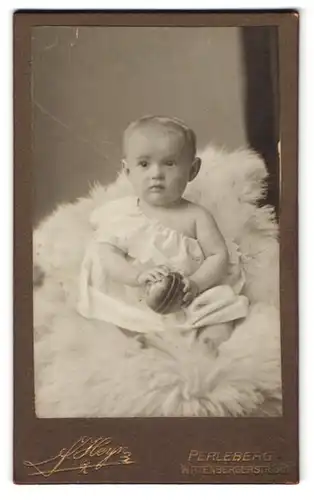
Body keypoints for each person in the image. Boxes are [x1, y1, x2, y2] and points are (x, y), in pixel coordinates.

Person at [77, 115, 248, 355]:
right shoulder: (124, 214)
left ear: (192, 170)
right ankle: (144, 342)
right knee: (120, 317)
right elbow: (107, 255)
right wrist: (137, 277)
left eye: (169, 163)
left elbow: (218, 255)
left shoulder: (197, 216)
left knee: (223, 309)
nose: (156, 173)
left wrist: (197, 283)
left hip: (189, 296)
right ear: (128, 170)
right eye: (144, 164)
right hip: (139, 295)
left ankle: (208, 343)